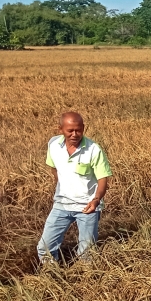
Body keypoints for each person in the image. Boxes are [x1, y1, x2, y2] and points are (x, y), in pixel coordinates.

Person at [37, 112, 112, 263]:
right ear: (60, 129)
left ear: (83, 128)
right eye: (70, 130)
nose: (74, 134)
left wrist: (96, 200)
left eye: (78, 130)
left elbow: (103, 179)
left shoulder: (93, 150)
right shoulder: (53, 145)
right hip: (62, 204)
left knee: (87, 252)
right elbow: (53, 168)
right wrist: (63, 185)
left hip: (88, 207)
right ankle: (51, 275)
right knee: (45, 247)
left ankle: (86, 281)